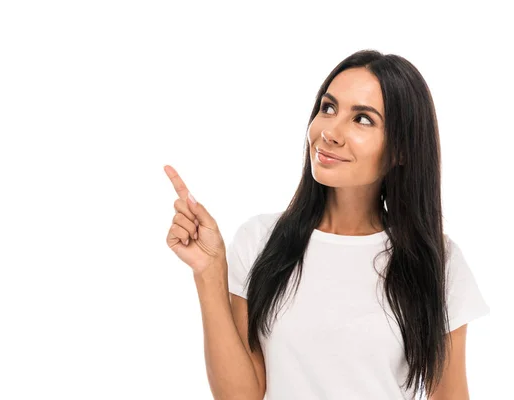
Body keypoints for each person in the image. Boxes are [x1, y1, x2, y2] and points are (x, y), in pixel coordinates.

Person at [164, 49, 490, 400]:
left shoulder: (438, 261)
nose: (330, 132)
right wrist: (209, 272)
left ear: (401, 150)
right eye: (328, 108)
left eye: (363, 119)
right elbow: (241, 396)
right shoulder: (260, 241)